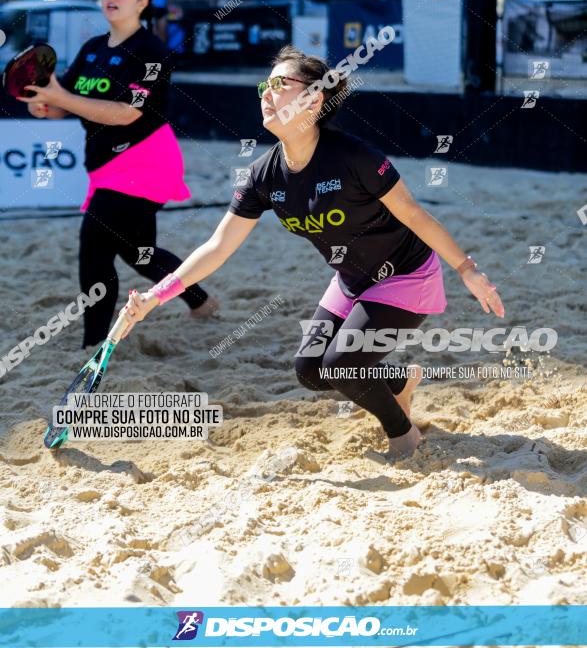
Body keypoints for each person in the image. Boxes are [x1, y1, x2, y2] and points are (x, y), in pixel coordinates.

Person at [118, 45, 504, 460]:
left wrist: (467, 269)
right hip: (352, 280)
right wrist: (155, 297)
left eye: (281, 84)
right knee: (310, 371)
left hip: (405, 276)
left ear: (314, 98)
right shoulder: (262, 175)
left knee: (341, 363)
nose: (267, 93)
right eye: (265, 85)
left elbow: (414, 214)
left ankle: (404, 436)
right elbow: (217, 247)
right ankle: (396, 382)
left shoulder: (355, 157)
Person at [18, 0, 218, 347]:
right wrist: (43, 103)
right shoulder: (92, 49)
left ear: (143, 2)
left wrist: (60, 98)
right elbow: (65, 105)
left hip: (145, 161)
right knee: (138, 254)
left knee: (93, 249)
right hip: (104, 164)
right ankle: (200, 301)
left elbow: (127, 112)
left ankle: (94, 345)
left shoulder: (152, 53)